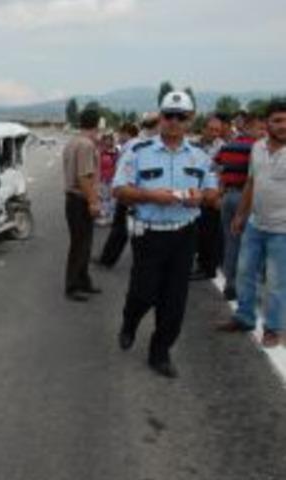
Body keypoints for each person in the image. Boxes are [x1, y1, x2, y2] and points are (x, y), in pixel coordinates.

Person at [112, 91, 218, 378]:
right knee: (143, 293)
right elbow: (119, 190)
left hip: (184, 234)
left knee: (174, 301)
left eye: (180, 116)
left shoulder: (200, 155)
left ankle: (160, 353)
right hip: (149, 235)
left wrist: (201, 196)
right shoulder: (138, 150)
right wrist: (149, 195)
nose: (173, 121)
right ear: (160, 117)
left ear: (190, 120)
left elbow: (212, 191)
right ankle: (129, 321)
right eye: (168, 115)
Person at [217, 99, 286, 347]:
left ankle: (274, 328)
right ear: (267, 123)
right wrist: (240, 215)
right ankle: (245, 317)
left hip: (282, 231)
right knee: (245, 273)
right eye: (277, 120)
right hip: (256, 225)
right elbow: (251, 183)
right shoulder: (257, 147)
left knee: (277, 283)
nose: (282, 125)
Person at [215, 114, 267, 300]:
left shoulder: (227, 146)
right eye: (260, 129)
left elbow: (217, 166)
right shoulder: (257, 148)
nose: (263, 133)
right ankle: (248, 286)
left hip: (227, 196)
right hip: (247, 198)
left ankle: (230, 283)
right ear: (250, 128)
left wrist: (220, 191)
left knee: (231, 241)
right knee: (251, 244)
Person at [63, 108, 102, 302]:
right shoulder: (86, 145)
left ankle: (83, 280)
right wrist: (93, 201)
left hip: (74, 199)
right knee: (80, 245)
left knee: (84, 244)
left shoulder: (73, 142)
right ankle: (72, 286)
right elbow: (84, 177)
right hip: (80, 199)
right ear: (97, 123)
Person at [97, 123, 139, 267]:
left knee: (121, 229)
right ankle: (107, 258)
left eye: (120, 134)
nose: (118, 137)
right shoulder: (132, 147)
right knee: (126, 229)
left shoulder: (131, 149)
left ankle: (107, 259)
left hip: (128, 193)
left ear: (127, 133)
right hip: (131, 194)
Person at [191, 116, 226, 281]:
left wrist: (219, 195)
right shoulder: (193, 146)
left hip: (213, 196)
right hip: (196, 195)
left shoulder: (223, 147)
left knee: (210, 234)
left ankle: (208, 268)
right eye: (211, 129)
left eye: (217, 130)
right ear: (203, 128)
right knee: (198, 233)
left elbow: (224, 175)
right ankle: (202, 263)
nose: (214, 133)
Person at [97, 133, 119, 225]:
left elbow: (119, 165)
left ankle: (111, 217)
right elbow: (97, 166)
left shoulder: (116, 151)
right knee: (104, 198)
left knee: (112, 198)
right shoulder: (100, 151)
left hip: (113, 178)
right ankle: (105, 216)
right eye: (105, 139)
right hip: (103, 178)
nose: (107, 141)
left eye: (109, 139)